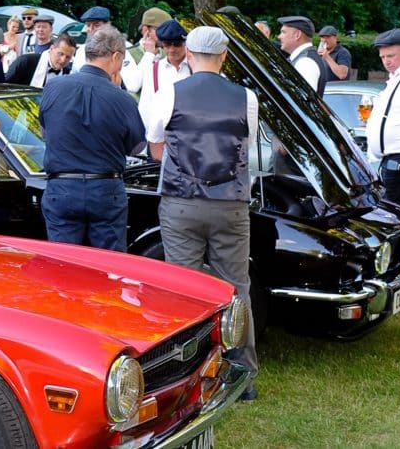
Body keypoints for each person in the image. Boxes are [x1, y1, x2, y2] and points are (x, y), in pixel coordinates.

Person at [146, 26, 259, 401]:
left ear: (189, 55)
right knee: (236, 287)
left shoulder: (170, 93)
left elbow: (155, 145)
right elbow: (247, 143)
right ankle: (243, 376)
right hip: (231, 202)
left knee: (184, 289)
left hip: (181, 200)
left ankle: (188, 373)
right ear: (225, 56)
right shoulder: (246, 97)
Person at [39, 26, 145, 251]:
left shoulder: (53, 87)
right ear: (115, 57)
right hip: (105, 187)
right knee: (109, 268)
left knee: (63, 266)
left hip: (62, 185)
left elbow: (45, 133)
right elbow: (136, 147)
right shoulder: (123, 99)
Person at [367, 29, 400, 210]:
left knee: (396, 215)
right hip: (393, 160)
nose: (386, 61)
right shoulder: (397, 77)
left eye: (391, 55)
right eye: (383, 57)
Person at [71, 6, 142, 92]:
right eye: (88, 25)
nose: (91, 29)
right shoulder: (81, 50)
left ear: (108, 25)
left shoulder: (124, 47)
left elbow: (132, 85)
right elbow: (74, 78)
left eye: (96, 25)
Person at [137, 20, 191, 130]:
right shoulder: (154, 70)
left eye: (177, 44)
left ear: (185, 43)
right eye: (166, 44)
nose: (171, 49)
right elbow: (145, 108)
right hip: (161, 135)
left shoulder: (196, 68)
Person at [277, 15, 326, 96]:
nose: (279, 36)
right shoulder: (304, 58)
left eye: (283, 32)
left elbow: (303, 99)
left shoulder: (306, 63)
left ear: (297, 35)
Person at [4, 33, 75, 87]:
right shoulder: (26, 62)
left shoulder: (68, 73)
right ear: (51, 49)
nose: (63, 60)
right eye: (61, 54)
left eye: (68, 57)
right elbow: (3, 87)